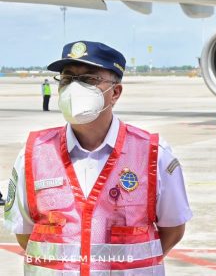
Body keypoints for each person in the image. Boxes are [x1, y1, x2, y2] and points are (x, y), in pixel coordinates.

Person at [4, 40, 192, 275]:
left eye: (89, 79)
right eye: (67, 79)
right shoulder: (34, 154)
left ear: (115, 92)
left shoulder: (153, 155)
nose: (74, 88)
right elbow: (25, 234)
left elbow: (172, 230)